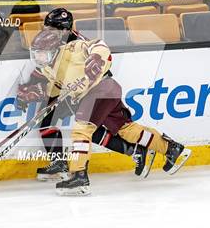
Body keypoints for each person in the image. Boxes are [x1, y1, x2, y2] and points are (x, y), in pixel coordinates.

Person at [17, 27, 192, 196]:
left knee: (82, 129)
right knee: (126, 130)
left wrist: (96, 57)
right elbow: (57, 89)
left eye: (42, 53)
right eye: (36, 53)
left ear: (54, 50)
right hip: (95, 95)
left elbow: (99, 45)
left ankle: (78, 176)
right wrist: (35, 93)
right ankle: (171, 148)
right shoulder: (47, 68)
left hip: (102, 89)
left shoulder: (73, 48)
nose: (38, 57)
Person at [17, 8, 157, 182]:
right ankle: (59, 162)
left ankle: (135, 151)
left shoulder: (77, 42)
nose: (49, 32)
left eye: (54, 29)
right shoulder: (48, 41)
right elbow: (43, 69)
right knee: (47, 122)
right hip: (65, 89)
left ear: (66, 30)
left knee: (91, 131)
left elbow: (95, 64)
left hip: (88, 90)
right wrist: (28, 88)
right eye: (47, 28)